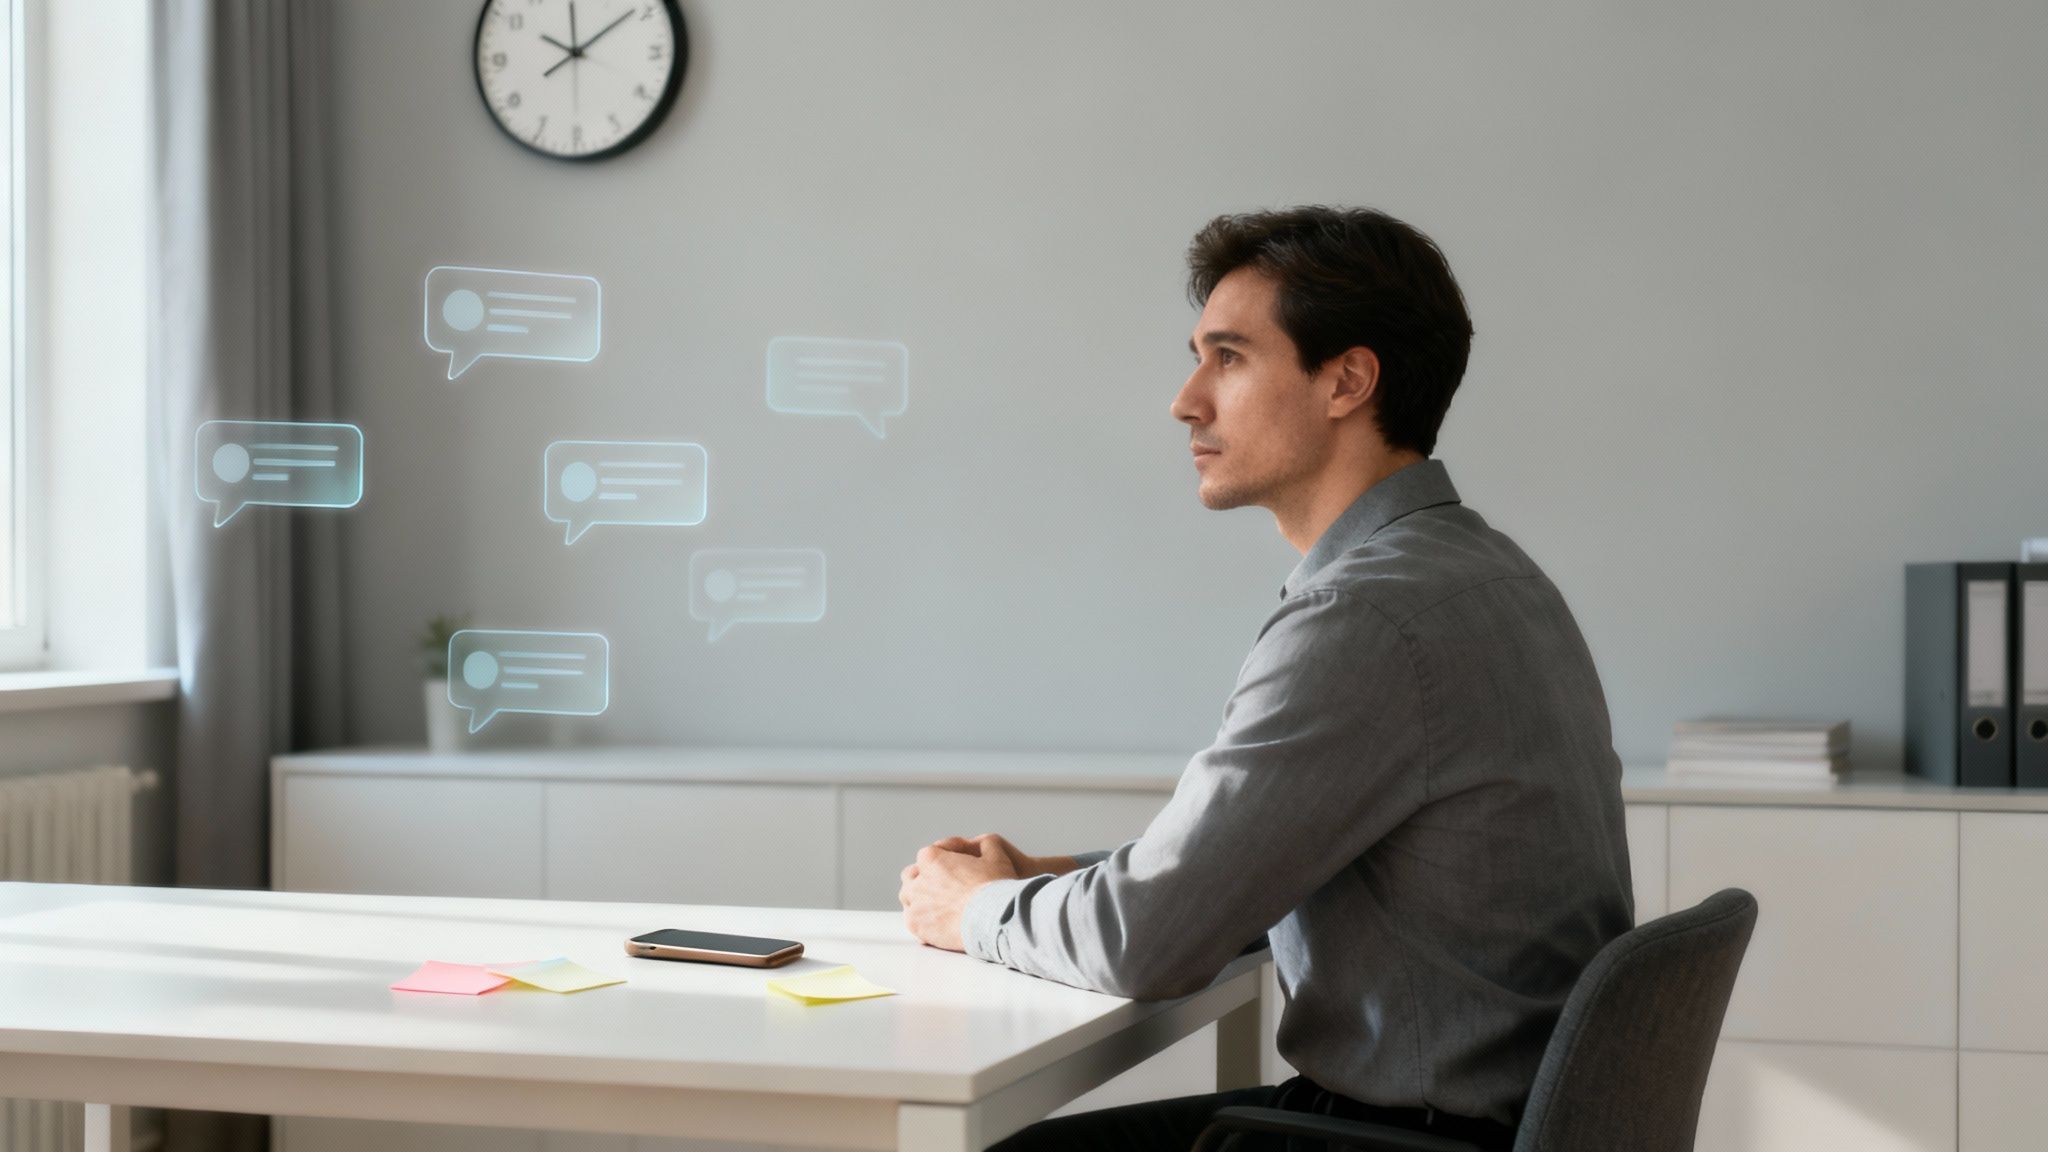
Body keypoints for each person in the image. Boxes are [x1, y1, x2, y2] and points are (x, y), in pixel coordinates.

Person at [896, 205, 1634, 1151]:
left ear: (1348, 381)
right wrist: (1061, 880)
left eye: (1229, 357)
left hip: (1395, 1139)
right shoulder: (1488, 575)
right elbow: (1265, 862)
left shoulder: (1363, 618)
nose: (1186, 399)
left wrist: (974, 910)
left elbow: (1148, 943)